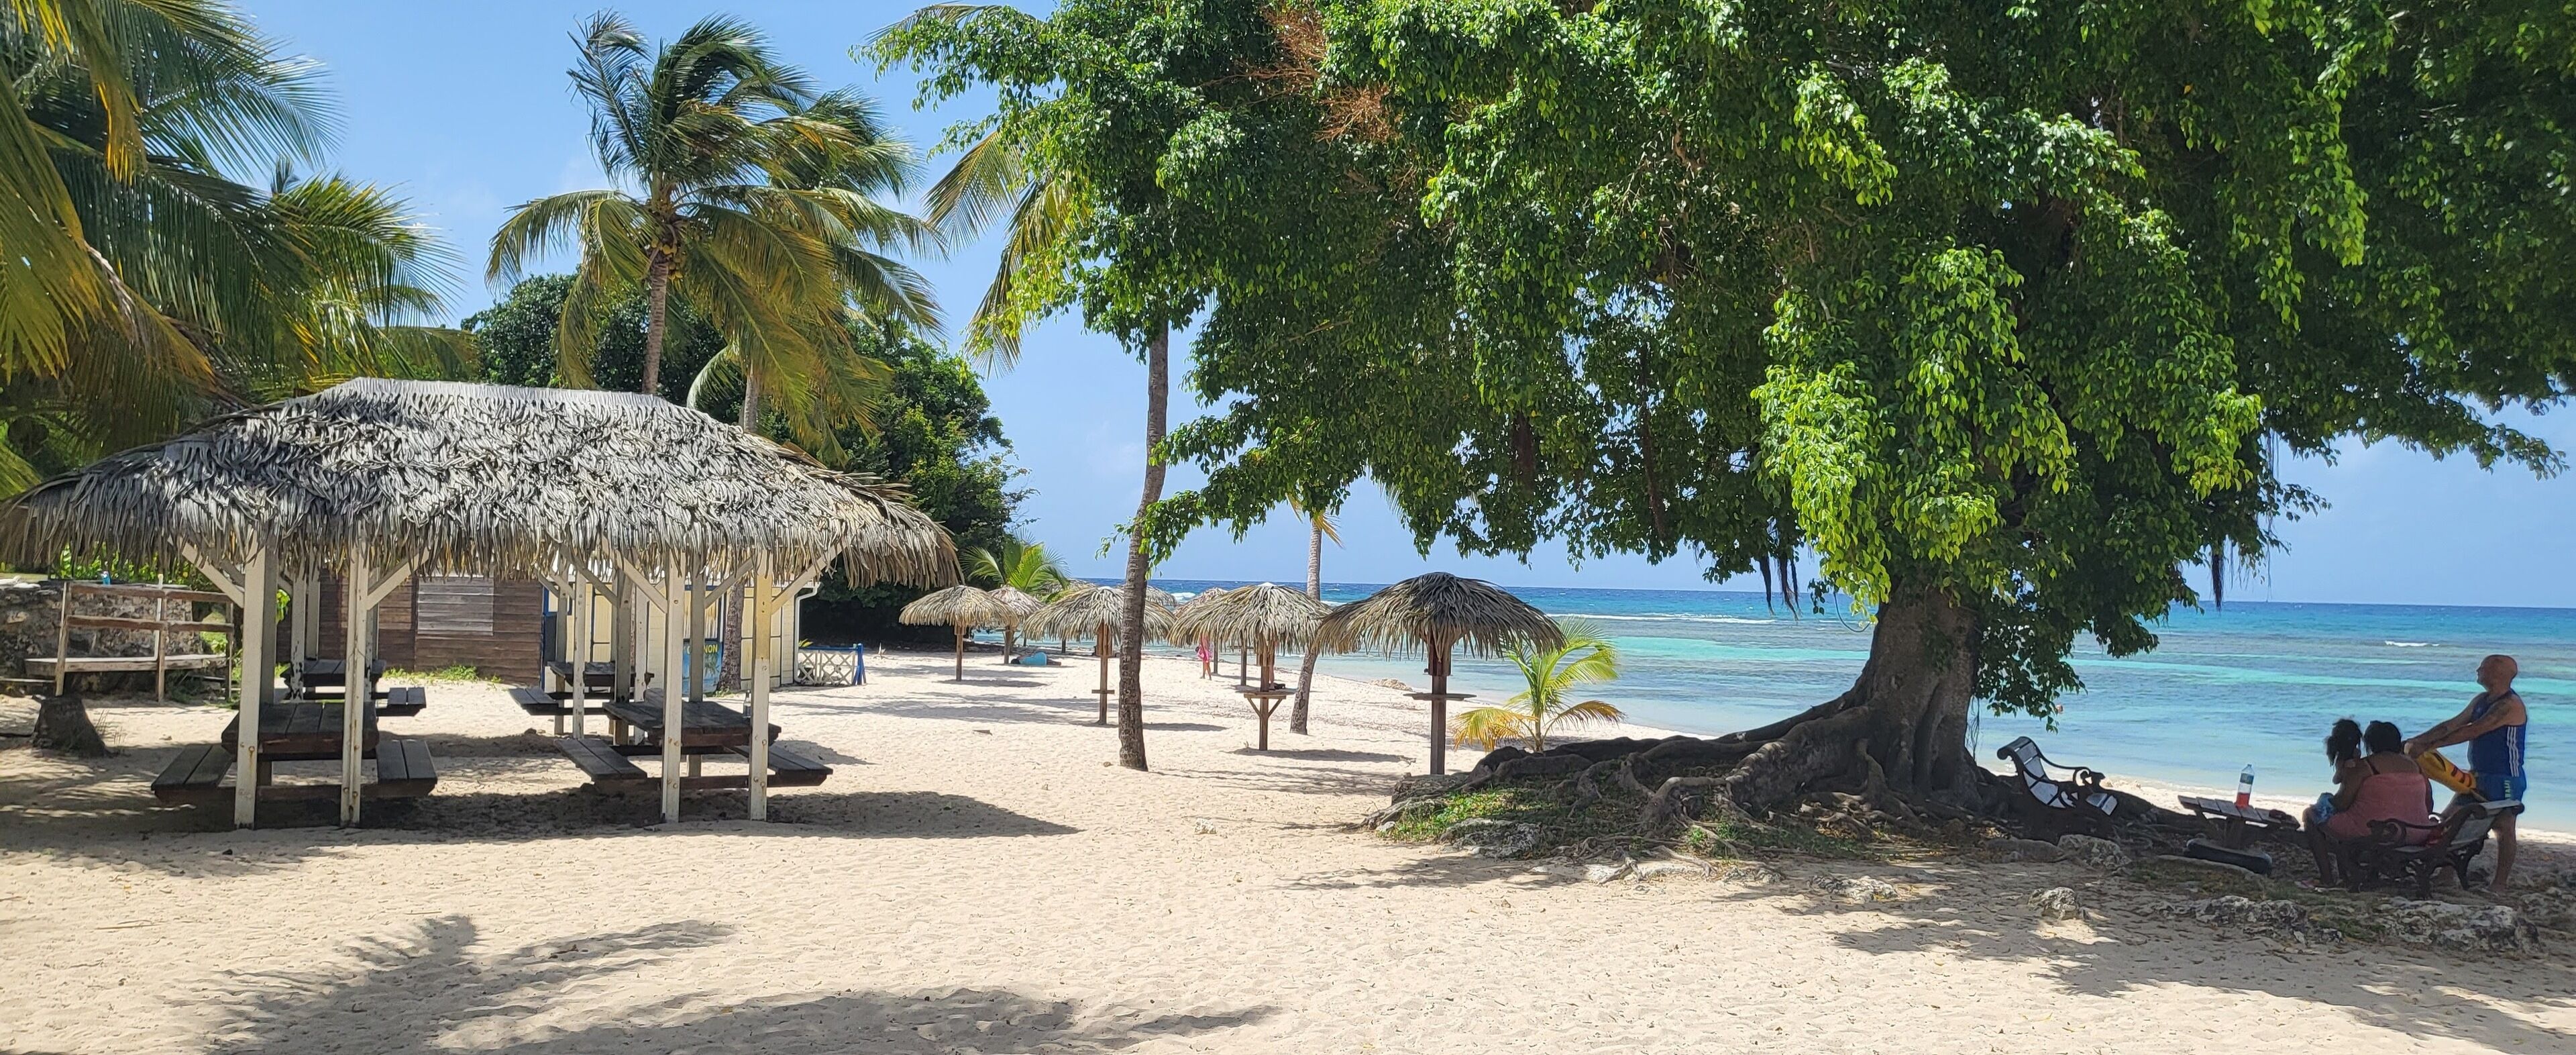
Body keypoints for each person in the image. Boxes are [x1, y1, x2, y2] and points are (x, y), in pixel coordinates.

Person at [2404, 654, 2528, 889]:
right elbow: (2451, 725)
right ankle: (2446, 875)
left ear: (2498, 672)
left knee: (2504, 828)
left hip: (2505, 778)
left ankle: (2499, 884)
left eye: (2483, 667)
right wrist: (2417, 741)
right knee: (2450, 821)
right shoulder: (2481, 700)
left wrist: (2430, 746)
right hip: (2478, 775)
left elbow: (2474, 730)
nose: (2477, 670)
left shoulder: (2509, 705)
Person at [2305, 721, 2436, 887]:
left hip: (2379, 832)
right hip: (2418, 832)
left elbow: (2342, 803)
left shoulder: (2366, 766)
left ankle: (2327, 879)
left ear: (2370, 743)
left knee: (2312, 816)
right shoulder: (2415, 766)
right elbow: (2429, 804)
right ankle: (2360, 870)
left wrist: (2325, 802)